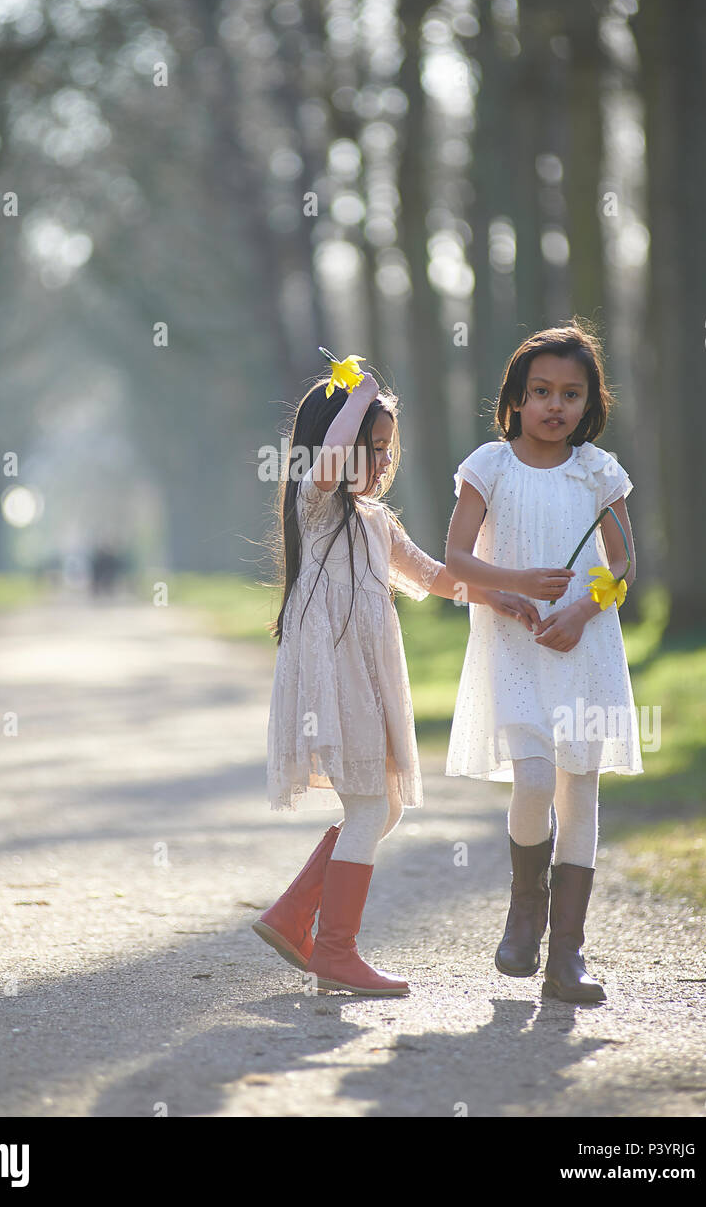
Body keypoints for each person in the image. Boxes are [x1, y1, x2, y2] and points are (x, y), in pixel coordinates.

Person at [254, 363, 541, 997]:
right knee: (367, 808)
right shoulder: (318, 502)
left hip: (367, 675)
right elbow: (330, 458)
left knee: (379, 807)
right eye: (371, 445)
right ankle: (334, 950)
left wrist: (501, 596)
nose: (383, 460)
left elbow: (436, 576)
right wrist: (357, 393)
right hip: (336, 676)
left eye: (388, 449)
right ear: (340, 439)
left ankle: (294, 916)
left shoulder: (376, 521)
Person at [444, 320, 642, 1003]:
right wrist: (515, 590)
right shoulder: (488, 466)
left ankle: (567, 955)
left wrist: (583, 610)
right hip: (512, 643)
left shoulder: (597, 471)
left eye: (570, 393)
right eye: (540, 392)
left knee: (578, 787)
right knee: (532, 779)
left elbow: (621, 563)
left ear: (589, 403)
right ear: (515, 398)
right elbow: (457, 560)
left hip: (582, 645)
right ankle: (523, 908)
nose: (554, 406)